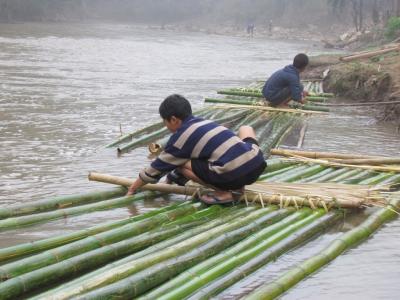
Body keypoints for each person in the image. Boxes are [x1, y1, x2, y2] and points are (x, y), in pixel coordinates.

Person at [126, 94, 266, 204]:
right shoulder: (205, 122)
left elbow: (156, 169)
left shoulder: (181, 139)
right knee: (245, 129)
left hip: (233, 175)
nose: (166, 126)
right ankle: (236, 184)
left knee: (182, 164)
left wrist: (133, 188)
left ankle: (225, 193)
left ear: (173, 119)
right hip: (257, 164)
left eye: (165, 121)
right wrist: (169, 180)